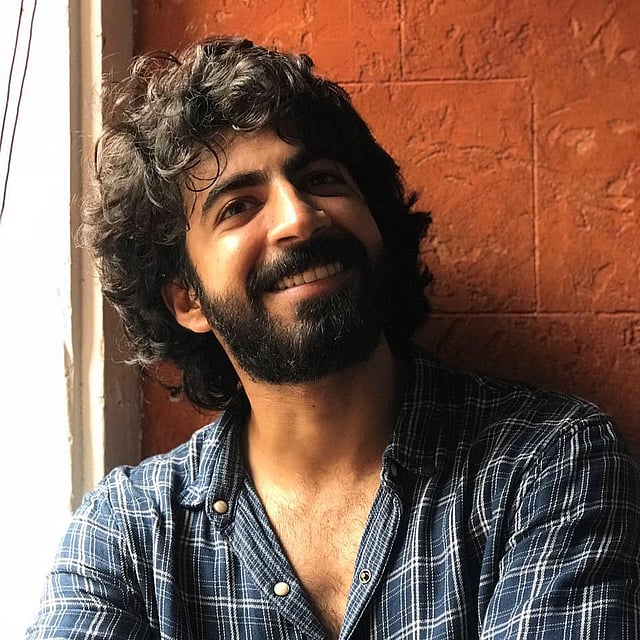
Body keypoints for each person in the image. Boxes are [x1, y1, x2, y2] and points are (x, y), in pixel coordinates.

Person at [27, 36, 640, 639]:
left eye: (321, 178)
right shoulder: (127, 536)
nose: (299, 217)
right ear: (187, 299)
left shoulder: (547, 464)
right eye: (238, 206)